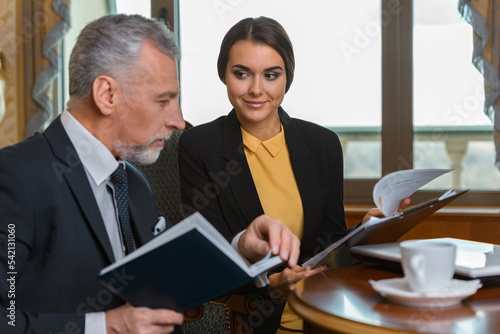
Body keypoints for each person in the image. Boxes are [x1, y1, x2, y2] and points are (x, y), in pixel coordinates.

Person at [0, 14, 301, 334]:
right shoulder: (15, 177)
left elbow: (176, 269)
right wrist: (107, 326)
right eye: (164, 100)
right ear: (107, 95)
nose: (179, 120)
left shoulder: (132, 182)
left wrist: (242, 247)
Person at [178, 16, 410, 333]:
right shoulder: (198, 146)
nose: (256, 89)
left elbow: (328, 247)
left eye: (271, 75)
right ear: (224, 75)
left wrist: (367, 229)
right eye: (242, 74)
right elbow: (210, 256)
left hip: (325, 311)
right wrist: (275, 282)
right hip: (260, 319)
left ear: (287, 77)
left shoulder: (323, 144)